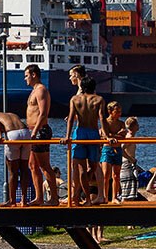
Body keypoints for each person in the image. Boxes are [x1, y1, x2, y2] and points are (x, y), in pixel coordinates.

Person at [66, 76, 105, 205]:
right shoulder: (99, 99)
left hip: (80, 133)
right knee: (92, 166)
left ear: (82, 87)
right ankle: (85, 198)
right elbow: (102, 118)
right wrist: (107, 135)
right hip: (93, 132)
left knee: (83, 169)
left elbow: (71, 118)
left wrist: (67, 136)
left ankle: (78, 194)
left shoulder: (75, 99)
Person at [24, 64, 59, 204]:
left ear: (34, 75)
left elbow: (43, 113)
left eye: (26, 75)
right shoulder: (34, 91)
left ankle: (54, 198)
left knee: (44, 165)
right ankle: (39, 197)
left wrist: (35, 130)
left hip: (40, 131)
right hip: (33, 130)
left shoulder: (41, 90)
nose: (25, 79)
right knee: (32, 165)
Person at [0, 111, 31, 205]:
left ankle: (12, 201)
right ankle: (24, 201)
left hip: (13, 135)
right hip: (26, 133)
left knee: (13, 171)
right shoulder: (12, 114)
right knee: (24, 168)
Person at [100, 101, 125, 203]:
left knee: (116, 175)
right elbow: (104, 135)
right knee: (106, 174)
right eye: (117, 111)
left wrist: (112, 135)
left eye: (120, 111)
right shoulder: (105, 122)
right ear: (110, 111)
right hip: (107, 149)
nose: (119, 113)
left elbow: (123, 135)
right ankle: (104, 196)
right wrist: (112, 135)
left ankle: (114, 197)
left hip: (117, 149)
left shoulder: (121, 123)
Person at [119, 116, 141, 201]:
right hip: (127, 163)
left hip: (129, 162)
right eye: (137, 124)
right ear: (134, 126)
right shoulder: (129, 137)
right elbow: (121, 149)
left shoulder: (129, 136)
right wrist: (130, 159)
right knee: (128, 189)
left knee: (130, 187)